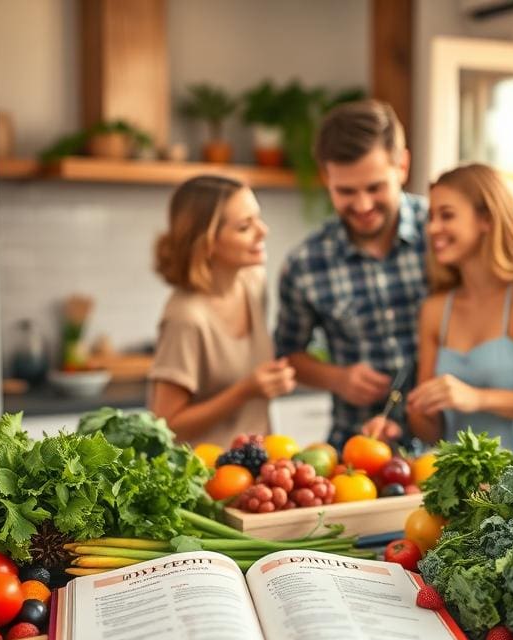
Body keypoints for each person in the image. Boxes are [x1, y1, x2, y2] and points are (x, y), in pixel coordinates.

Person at [367, 163, 513, 450]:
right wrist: (411, 417)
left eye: (447, 215)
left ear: (486, 219)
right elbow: (431, 433)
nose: (433, 228)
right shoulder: (436, 309)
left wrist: (478, 398)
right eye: (431, 217)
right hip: (461, 490)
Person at [274, 100, 428, 449]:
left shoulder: (443, 235)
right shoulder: (306, 263)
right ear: (326, 178)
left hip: (452, 450)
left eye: (375, 187)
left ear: (402, 165)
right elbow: (287, 355)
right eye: (345, 191)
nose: (362, 205)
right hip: (357, 454)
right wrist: (338, 378)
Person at [149, 175, 296, 446]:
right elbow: (166, 425)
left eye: (258, 218)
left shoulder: (253, 282)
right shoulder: (186, 318)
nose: (263, 231)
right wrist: (246, 390)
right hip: (206, 478)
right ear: (207, 243)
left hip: (256, 469)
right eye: (244, 227)